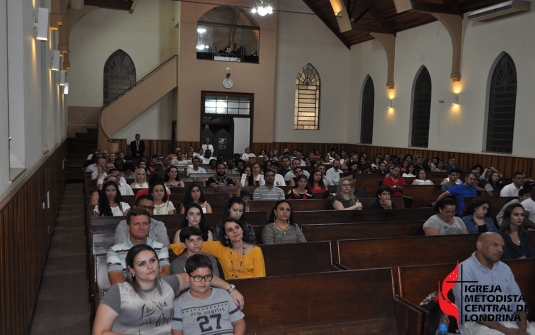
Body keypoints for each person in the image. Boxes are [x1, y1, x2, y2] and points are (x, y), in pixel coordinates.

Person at [94, 244, 244, 335]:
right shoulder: (119, 291)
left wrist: (230, 288)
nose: (149, 266)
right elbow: (99, 332)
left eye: (153, 260)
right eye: (141, 264)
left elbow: (199, 275)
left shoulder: (169, 284)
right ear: (131, 269)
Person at [452, 232, 534, 335]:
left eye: (502, 247)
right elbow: (472, 311)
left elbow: (518, 304)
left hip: (507, 319)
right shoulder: (464, 270)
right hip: (476, 324)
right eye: (495, 245)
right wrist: (506, 331)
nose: (500, 250)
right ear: (480, 245)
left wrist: (522, 330)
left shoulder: (504, 268)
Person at [171, 254, 246, 335]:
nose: (203, 282)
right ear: (187, 277)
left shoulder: (224, 295)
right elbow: (177, 331)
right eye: (198, 277)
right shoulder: (179, 303)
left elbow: (239, 322)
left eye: (207, 277)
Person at [170, 218, 266, 280]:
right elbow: (195, 245)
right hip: (229, 289)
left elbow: (261, 279)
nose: (235, 231)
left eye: (237, 227)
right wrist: (165, 247)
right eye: (229, 230)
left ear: (242, 230)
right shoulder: (220, 248)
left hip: (253, 288)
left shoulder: (256, 250)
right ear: (226, 235)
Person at [107, 209, 170, 284]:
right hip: (128, 295)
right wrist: (149, 277)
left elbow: (165, 276)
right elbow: (117, 282)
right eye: (136, 224)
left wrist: (132, 279)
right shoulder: (115, 251)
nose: (142, 227)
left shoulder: (160, 248)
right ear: (128, 227)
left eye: (145, 224)